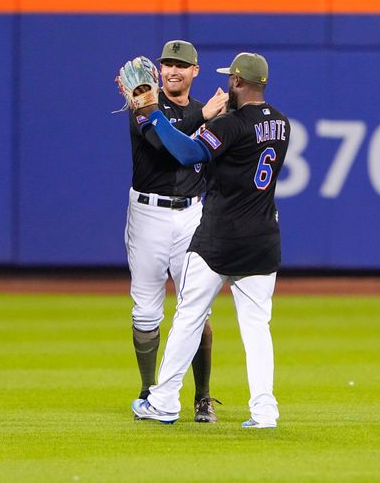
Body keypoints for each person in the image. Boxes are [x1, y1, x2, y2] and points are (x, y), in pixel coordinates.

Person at [129, 52, 289, 428]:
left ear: (236, 82)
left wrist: (153, 113)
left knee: (188, 315)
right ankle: (264, 412)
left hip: (221, 236)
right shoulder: (282, 124)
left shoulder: (231, 124)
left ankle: (164, 401)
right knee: (256, 327)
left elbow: (187, 153)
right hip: (264, 237)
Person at [124, 40, 227, 423]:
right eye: (167, 64)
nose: (172, 71)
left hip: (191, 215)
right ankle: (149, 390)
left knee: (196, 306)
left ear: (194, 71)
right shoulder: (143, 102)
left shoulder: (206, 111)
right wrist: (204, 116)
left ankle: (202, 396)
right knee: (146, 309)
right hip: (147, 213)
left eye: (181, 66)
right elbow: (166, 144)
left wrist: (206, 116)